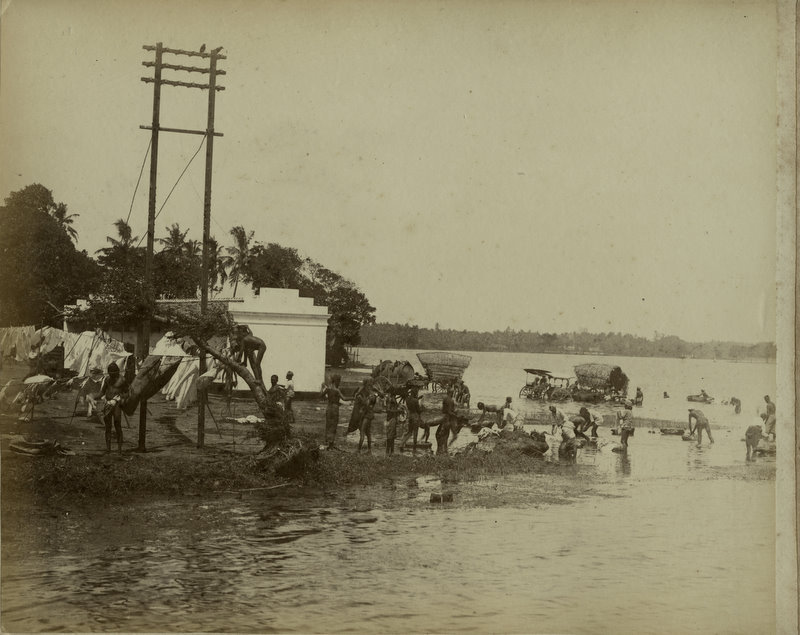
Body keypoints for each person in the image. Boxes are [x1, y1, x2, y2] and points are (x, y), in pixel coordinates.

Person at [100, 362, 128, 454]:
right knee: (108, 427)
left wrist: (118, 398)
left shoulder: (122, 380)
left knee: (117, 424)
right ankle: (108, 449)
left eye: (113, 373)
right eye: (110, 373)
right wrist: (91, 396)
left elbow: (127, 393)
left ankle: (119, 449)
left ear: (117, 372)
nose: (111, 375)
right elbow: (102, 392)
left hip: (117, 404)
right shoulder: (107, 379)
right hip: (108, 404)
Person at [321, 374, 350, 450]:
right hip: (335, 408)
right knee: (333, 426)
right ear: (337, 381)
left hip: (329, 407)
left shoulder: (328, 389)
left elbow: (321, 395)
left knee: (328, 425)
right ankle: (331, 444)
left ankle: (328, 442)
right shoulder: (337, 390)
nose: (339, 383)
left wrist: (325, 393)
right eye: (339, 381)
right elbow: (344, 398)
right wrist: (353, 397)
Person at [399, 387, 423, 453]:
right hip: (415, 417)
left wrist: (418, 399)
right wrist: (422, 409)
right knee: (415, 433)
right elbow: (418, 410)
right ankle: (414, 449)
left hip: (410, 416)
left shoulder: (407, 399)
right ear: (415, 393)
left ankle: (401, 444)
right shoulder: (416, 400)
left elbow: (413, 402)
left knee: (409, 432)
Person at [436, 387, 458, 455]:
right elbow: (449, 411)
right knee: (447, 435)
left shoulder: (445, 398)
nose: (453, 394)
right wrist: (455, 415)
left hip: (444, 417)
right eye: (453, 392)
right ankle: (445, 449)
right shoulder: (450, 400)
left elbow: (444, 409)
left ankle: (442, 449)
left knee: (441, 434)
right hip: (448, 419)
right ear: (451, 393)